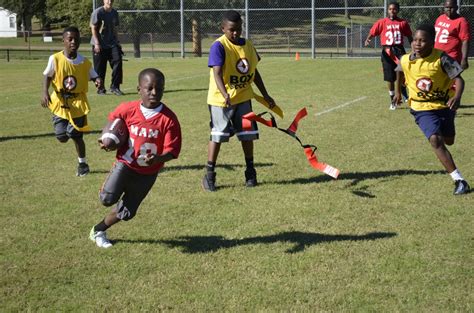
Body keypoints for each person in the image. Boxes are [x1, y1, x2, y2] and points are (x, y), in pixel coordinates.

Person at [90, 68, 182, 248]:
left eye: (159, 88)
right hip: (125, 164)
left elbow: (172, 150)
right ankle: (109, 195)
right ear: (139, 89)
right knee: (107, 199)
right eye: (149, 88)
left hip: (148, 172)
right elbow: (113, 123)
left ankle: (98, 230)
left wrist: (158, 158)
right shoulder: (127, 109)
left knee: (126, 212)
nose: (154, 92)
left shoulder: (169, 119)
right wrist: (108, 139)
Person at [202, 10, 275, 192]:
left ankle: (250, 171)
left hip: (243, 98)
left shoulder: (248, 45)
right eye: (231, 30)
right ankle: (209, 174)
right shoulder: (219, 46)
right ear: (223, 28)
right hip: (221, 101)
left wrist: (265, 95)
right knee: (218, 135)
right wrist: (224, 93)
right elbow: (217, 73)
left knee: (247, 135)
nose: (235, 33)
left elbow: (253, 71)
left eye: (239, 29)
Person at [393, 24, 470, 195]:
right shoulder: (406, 59)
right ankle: (459, 180)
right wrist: (398, 92)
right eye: (415, 40)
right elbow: (399, 71)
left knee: (449, 140)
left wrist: (456, 97)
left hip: (443, 106)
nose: (417, 44)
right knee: (435, 140)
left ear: (432, 42)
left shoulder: (441, 58)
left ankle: (445, 139)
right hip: (420, 107)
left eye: (422, 41)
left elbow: (459, 80)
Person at [41, 26, 103, 177]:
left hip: (78, 103)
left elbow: (94, 75)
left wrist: (98, 80)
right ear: (63, 41)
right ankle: (64, 129)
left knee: (76, 135)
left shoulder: (84, 62)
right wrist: (45, 92)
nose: (73, 41)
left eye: (76, 39)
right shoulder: (55, 59)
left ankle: (83, 164)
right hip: (60, 102)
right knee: (62, 137)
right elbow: (48, 75)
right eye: (70, 39)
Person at [365, 1, 413, 110]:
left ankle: (402, 91)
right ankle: (393, 100)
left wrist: (414, 49)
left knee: (403, 73)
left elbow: (409, 36)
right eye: (390, 9)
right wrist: (368, 39)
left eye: (394, 9)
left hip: (399, 50)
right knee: (390, 78)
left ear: (398, 10)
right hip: (386, 51)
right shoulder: (382, 22)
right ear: (388, 10)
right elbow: (373, 32)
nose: (392, 11)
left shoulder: (403, 23)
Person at [90, 0, 123, 96]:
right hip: (99, 44)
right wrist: (97, 43)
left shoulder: (114, 13)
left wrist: (117, 42)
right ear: (103, 1)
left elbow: (115, 28)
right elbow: (93, 28)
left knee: (118, 60)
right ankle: (101, 89)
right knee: (100, 67)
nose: (109, 1)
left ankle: (115, 87)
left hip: (112, 43)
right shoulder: (98, 12)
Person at [434, 0, 470, 70]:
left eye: (451, 7)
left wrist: (464, 58)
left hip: (451, 57)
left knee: (453, 80)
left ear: (456, 7)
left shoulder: (461, 21)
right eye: (447, 7)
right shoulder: (440, 18)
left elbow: (465, 41)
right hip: (437, 56)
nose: (449, 9)